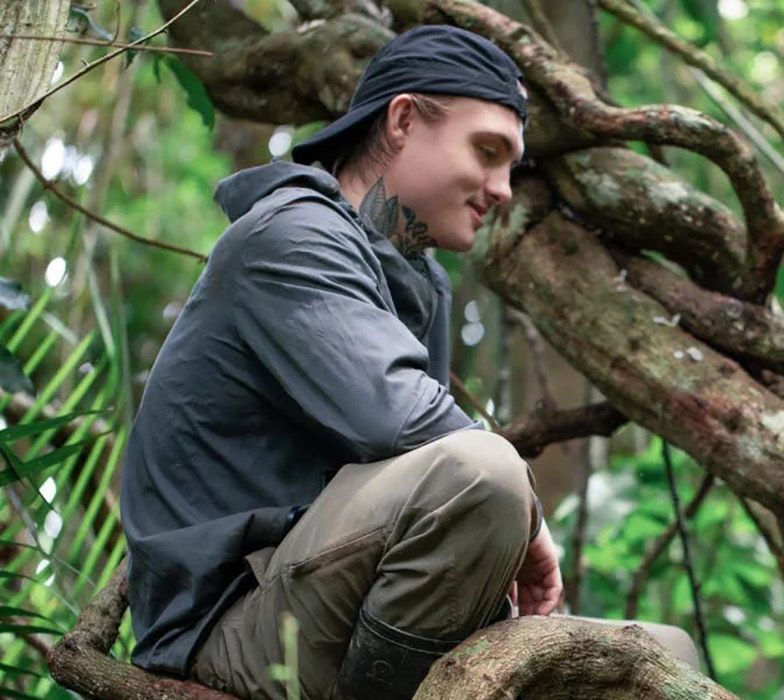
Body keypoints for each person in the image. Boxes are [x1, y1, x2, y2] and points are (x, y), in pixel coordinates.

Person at [120, 25, 697, 700]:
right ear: (401, 120)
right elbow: (400, 422)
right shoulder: (291, 234)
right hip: (232, 629)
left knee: (662, 658)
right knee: (483, 475)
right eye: (487, 152)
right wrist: (528, 520)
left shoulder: (421, 286)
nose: (504, 188)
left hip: (343, 608)